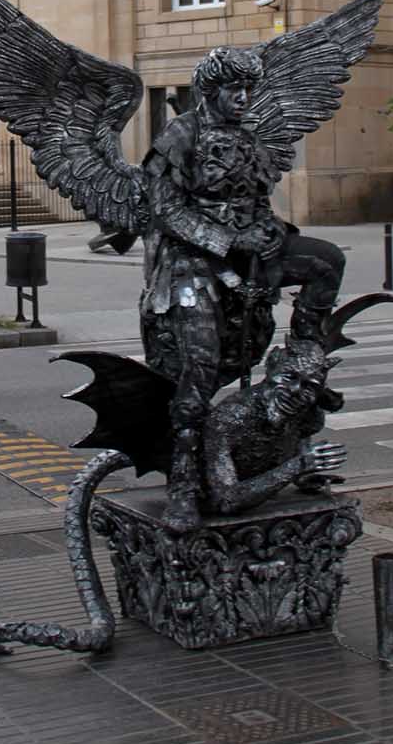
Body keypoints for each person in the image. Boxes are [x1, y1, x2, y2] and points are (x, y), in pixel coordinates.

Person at [139, 44, 345, 527]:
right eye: (235, 88)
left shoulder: (247, 137)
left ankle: (302, 362)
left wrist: (270, 231)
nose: (244, 98)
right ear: (210, 90)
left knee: (326, 262)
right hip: (190, 261)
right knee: (199, 365)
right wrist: (230, 240)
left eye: (249, 88)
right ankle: (184, 483)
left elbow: (256, 200)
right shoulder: (179, 135)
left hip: (249, 251)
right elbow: (165, 211)